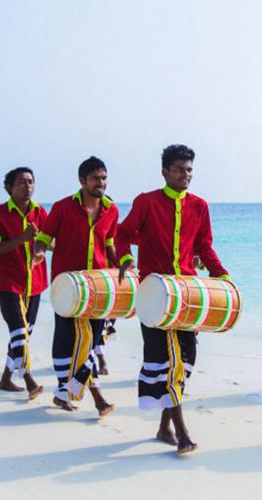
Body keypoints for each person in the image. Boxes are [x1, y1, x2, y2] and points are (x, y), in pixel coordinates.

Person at [116, 144, 231, 455]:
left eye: (190, 170)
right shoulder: (146, 202)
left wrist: (222, 277)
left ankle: (164, 426)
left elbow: (205, 247)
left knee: (186, 359)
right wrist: (126, 259)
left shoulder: (200, 206)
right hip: (154, 295)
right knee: (168, 361)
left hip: (189, 295)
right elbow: (122, 234)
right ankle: (182, 432)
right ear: (165, 171)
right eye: (179, 169)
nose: (186, 175)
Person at [32, 156, 118, 417]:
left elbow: (110, 243)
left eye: (103, 178)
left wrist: (123, 267)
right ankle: (92, 396)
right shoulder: (62, 207)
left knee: (92, 342)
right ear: (82, 181)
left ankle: (65, 394)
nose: (100, 183)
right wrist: (37, 253)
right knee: (66, 338)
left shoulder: (111, 210)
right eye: (95, 178)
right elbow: (44, 239)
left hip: (98, 287)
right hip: (67, 288)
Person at [0, 167, 49, 398]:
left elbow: (51, 243)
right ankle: (30, 380)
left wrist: (41, 248)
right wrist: (22, 239)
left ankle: (5, 379)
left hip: (35, 282)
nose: (27, 186)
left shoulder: (41, 213)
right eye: (21, 182)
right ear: (9, 187)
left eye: (31, 181)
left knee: (23, 335)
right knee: (19, 332)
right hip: (7, 281)